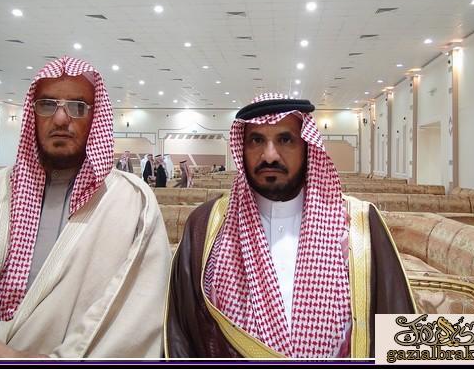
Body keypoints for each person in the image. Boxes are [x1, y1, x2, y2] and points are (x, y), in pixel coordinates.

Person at [0, 56, 171, 359]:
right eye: (47, 105)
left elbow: (136, 319)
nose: (60, 119)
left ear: (95, 118)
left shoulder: (132, 202)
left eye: (77, 106)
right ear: (33, 113)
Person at [165, 93, 416, 359]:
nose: (269, 155)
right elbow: (181, 334)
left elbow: (404, 337)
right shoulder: (205, 225)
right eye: (256, 140)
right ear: (242, 149)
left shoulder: (361, 224)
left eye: (285, 140)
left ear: (307, 147)